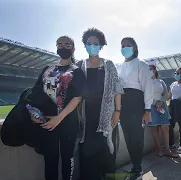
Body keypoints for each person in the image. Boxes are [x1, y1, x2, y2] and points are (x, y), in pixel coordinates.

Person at [32, 36, 86, 180]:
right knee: (49, 159)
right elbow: (36, 92)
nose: (63, 47)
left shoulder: (77, 71)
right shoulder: (47, 69)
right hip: (47, 122)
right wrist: (34, 113)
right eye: (60, 44)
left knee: (67, 159)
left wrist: (59, 118)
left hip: (67, 122)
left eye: (67, 44)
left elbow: (78, 97)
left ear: (73, 49)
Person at [77, 28, 124, 180]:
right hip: (87, 117)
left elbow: (117, 89)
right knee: (88, 156)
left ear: (101, 45)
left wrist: (117, 111)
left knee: (107, 154)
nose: (92, 46)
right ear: (84, 45)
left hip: (107, 116)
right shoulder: (79, 65)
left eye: (95, 43)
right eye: (88, 43)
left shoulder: (109, 65)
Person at [116, 37, 153, 180]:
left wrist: (147, 110)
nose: (125, 47)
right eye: (122, 45)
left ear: (135, 48)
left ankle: (137, 169)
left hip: (136, 104)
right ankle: (134, 166)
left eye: (128, 45)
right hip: (123, 105)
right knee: (128, 138)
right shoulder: (118, 66)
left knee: (137, 139)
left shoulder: (141, 64)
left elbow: (147, 87)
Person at [147, 62, 178, 158]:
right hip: (151, 106)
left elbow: (165, 93)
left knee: (165, 128)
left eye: (152, 69)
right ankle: (159, 149)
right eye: (148, 69)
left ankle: (167, 150)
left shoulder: (161, 81)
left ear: (155, 70)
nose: (150, 71)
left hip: (162, 105)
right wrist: (154, 103)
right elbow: (144, 95)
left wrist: (161, 102)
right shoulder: (145, 83)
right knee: (154, 128)